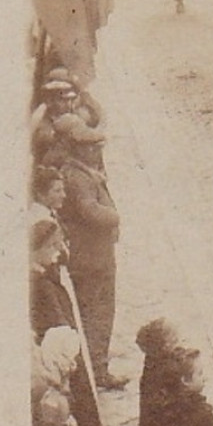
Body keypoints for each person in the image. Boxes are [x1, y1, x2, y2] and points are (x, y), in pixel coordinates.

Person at [30, 215, 117, 426]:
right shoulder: (40, 285)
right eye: (52, 246)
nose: (57, 251)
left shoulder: (46, 277)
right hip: (63, 365)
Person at [58, 118, 127, 390]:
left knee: (96, 312)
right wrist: (115, 216)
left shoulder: (79, 172)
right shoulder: (78, 178)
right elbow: (90, 211)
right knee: (98, 313)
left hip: (93, 255)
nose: (98, 152)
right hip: (92, 258)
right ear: (82, 149)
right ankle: (97, 371)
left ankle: (97, 368)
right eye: (93, 147)